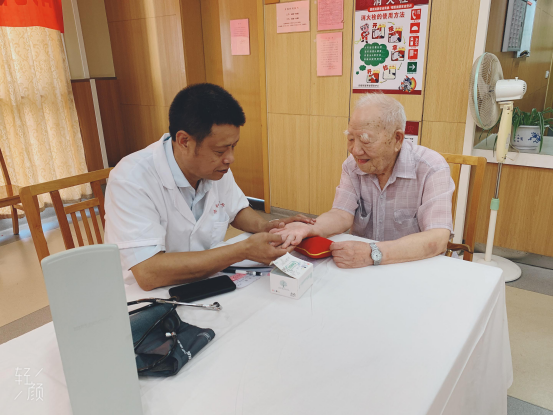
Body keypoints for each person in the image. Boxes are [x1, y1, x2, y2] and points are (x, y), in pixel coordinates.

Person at [104, 83, 313, 290]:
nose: (230, 158)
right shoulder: (131, 179)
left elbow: (236, 209)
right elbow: (148, 273)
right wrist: (241, 251)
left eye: (233, 147)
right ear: (184, 141)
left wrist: (265, 227)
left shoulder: (215, 170)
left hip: (205, 282)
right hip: (144, 297)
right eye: (220, 151)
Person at [272, 93, 454, 268]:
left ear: (397, 139)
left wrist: (373, 253)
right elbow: (341, 214)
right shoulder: (353, 165)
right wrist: (309, 229)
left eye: (365, 140)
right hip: (362, 265)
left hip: (411, 265)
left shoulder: (432, 167)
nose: (355, 150)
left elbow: (438, 237)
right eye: (351, 138)